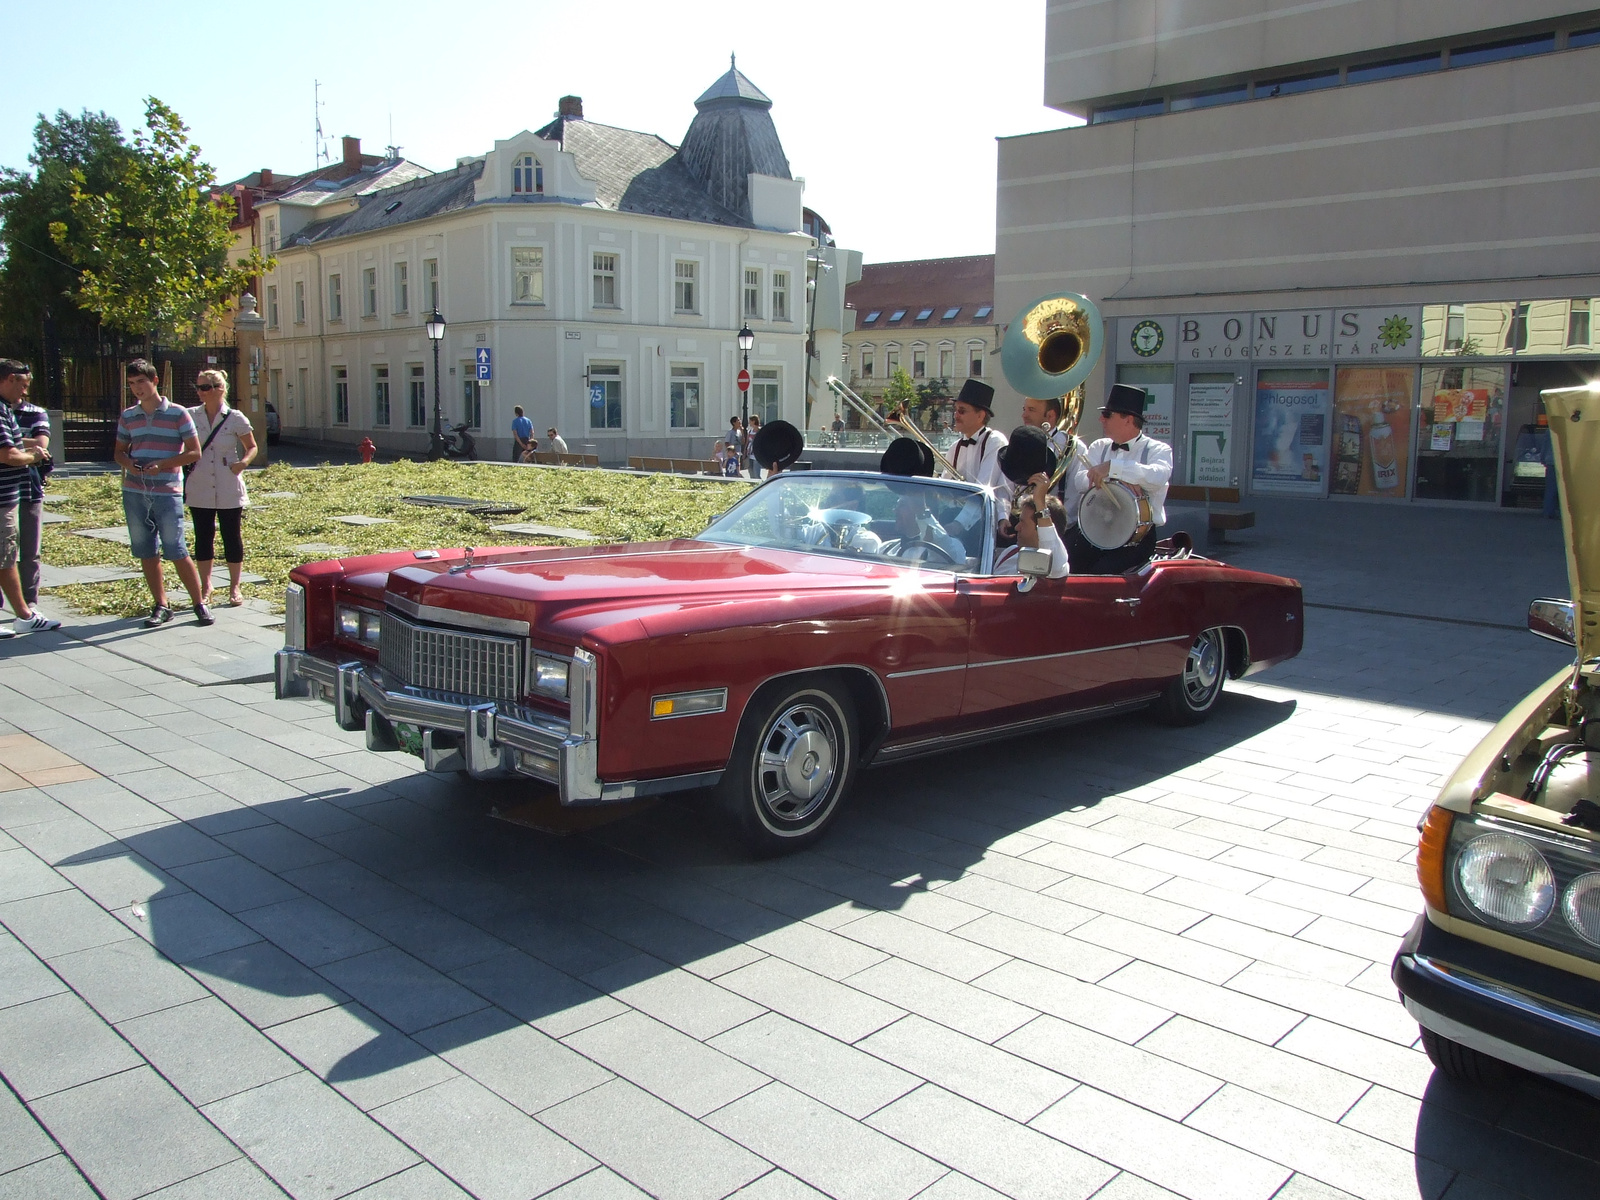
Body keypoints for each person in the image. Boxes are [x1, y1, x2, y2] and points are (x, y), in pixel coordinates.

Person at [114, 359, 211, 627]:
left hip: (167, 491)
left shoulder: (178, 413)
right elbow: (119, 452)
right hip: (134, 490)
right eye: (132, 384)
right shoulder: (128, 415)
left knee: (176, 548)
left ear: (155, 381)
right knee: (146, 549)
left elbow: (194, 452)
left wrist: (163, 464)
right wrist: (129, 463)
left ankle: (199, 603)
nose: (137, 389)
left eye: (141, 382)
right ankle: (161, 604)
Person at [1064, 383, 1173, 574]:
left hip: (1137, 538)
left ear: (1128, 419)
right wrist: (1118, 481)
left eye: (1108, 415)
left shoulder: (1158, 450)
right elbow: (1080, 481)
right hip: (1095, 528)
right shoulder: (1100, 447)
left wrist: (1112, 468)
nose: (1101, 419)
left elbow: (1158, 476)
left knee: (1102, 574)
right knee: (1064, 564)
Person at [185, 369, 257, 608]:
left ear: (219, 389)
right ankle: (206, 585)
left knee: (231, 535)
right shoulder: (190, 416)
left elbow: (251, 447)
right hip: (200, 482)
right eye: (198, 387)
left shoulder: (235, 417)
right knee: (203, 536)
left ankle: (235, 585)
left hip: (228, 483)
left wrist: (244, 463)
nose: (200, 392)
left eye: (205, 387)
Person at [0, 360, 59, 637]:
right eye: (22, 386)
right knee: (6, 559)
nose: (24, 393)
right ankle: (24, 615)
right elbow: (8, 455)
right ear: (9, 379)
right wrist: (33, 457)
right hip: (2, 500)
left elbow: (11, 443)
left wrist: (26, 446)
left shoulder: (7, 409)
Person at [994, 471, 1071, 579]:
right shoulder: (1010, 552)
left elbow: (1055, 563)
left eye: (1023, 523)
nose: (1017, 527)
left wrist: (1040, 501)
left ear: (1041, 531)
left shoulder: (1054, 566)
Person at [949, 380, 1008, 493]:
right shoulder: (955, 447)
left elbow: (983, 488)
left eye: (961, 411)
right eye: (955, 410)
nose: (955, 415)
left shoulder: (995, 441)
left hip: (992, 511)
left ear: (980, 416)